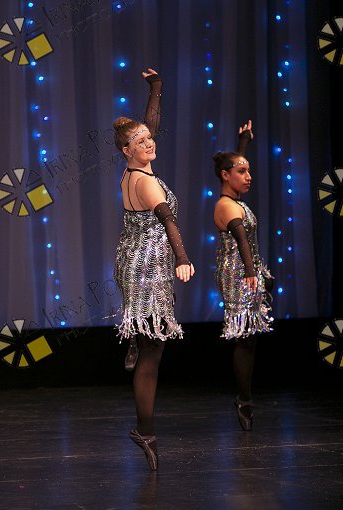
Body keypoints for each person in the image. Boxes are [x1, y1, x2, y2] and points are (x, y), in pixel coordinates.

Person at [113, 68, 194, 470]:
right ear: (126, 151)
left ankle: (135, 338)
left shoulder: (135, 171)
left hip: (135, 263)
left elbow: (150, 126)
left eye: (149, 138)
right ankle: (144, 430)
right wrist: (182, 257)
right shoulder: (146, 183)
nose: (149, 142)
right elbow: (168, 220)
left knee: (150, 342)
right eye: (140, 141)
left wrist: (156, 89)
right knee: (153, 352)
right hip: (146, 269)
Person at [212, 120, 274, 431]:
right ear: (225, 175)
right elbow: (240, 239)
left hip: (250, 272)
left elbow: (234, 164)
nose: (248, 176)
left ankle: (245, 398)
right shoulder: (226, 206)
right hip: (238, 275)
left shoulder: (236, 200)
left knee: (250, 338)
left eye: (249, 171)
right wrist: (251, 272)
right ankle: (244, 400)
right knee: (244, 337)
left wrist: (243, 143)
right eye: (242, 172)